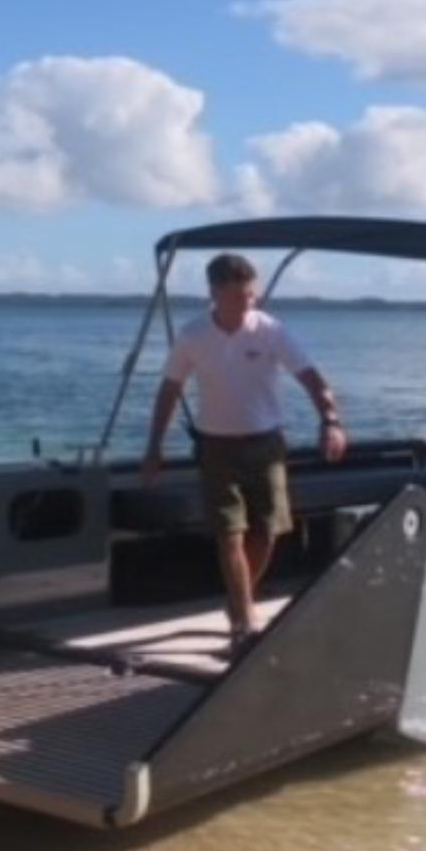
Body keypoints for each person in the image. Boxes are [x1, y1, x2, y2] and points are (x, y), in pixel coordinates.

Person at [141, 253, 347, 653]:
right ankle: (243, 622)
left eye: (251, 295)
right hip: (216, 447)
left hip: (266, 445)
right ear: (215, 293)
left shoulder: (271, 330)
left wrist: (331, 421)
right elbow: (169, 391)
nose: (247, 304)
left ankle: (239, 600)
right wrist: (154, 447)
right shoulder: (193, 335)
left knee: (266, 533)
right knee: (229, 534)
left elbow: (311, 378)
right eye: (238, 296)